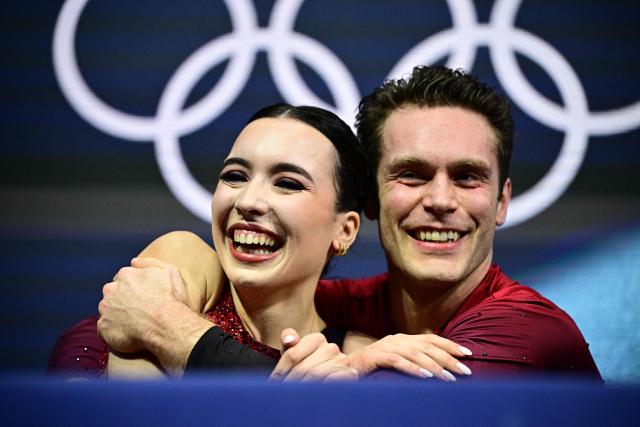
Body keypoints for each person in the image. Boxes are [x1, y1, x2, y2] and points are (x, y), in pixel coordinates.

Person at [92, 65, 601, 381]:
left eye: (468, 177)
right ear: (375, 200)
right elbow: (96, 336)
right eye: (412, 174)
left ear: (503, 201)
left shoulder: (529, 329)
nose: (441, 200)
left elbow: (391, 417)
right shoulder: (333, 309)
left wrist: (166, 328)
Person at [49, 102, 471, 381]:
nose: (249, 201)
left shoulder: (365, 359)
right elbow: (136, 415)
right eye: (234, 176)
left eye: (287, 183)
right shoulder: (181, 264)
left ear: (344, 230)